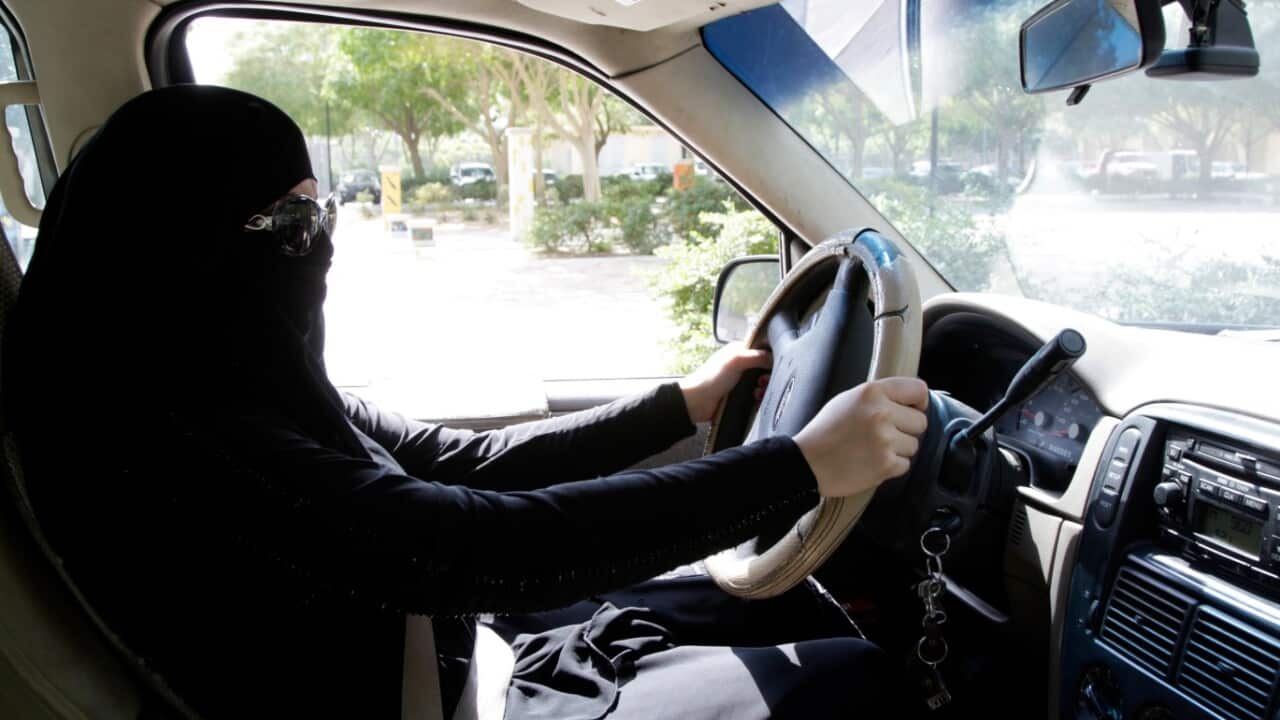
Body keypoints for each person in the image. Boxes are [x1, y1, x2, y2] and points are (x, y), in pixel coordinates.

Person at [3, 86, 928, 718]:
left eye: (320, 213)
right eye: (291, 221)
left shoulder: (229, 377)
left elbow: (456, 461)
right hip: (429, 692)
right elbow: (471, 548)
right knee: (848, 679)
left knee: (786, 614)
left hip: (440, 650)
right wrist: (800, 466)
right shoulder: (177, 437)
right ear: (174, 239)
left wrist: (678, 405)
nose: (319, 245)